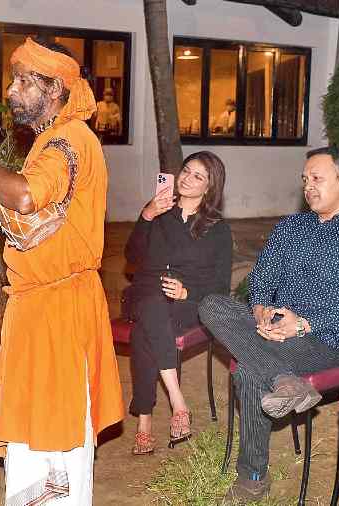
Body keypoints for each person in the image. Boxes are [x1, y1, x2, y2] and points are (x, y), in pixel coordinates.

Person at [0, 38, 123, 505]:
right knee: (35, 419)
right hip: (41, 302)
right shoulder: (53, 139)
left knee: (58, 421)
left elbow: (27, 197)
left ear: (53, 89)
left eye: (22, 81)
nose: (11, 90)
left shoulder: (68, 142)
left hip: (59, 307)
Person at [198, 147, 339, 503]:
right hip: (272, 329)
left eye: (317, 178)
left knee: (248, 373)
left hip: (326, 342)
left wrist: (302, 324)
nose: (309, 186)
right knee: (213, 305)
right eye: (305, 179)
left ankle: (253, 478)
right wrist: (260, 312)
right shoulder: (291, 227)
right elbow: (261, 280)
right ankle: (284, 380)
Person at [124, 151, 232, 455]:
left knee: (145, 328)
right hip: (145, 292)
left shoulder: (217, 228)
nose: (186, 178)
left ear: (210, 187)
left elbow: (221, 286)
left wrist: (188, 293)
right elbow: (132, 258)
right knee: (152, 305)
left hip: (187, 303)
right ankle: (177, 400)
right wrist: (146, 216)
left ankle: (144, 422)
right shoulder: (158, 213)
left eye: (198, 176)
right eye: (186, 171)